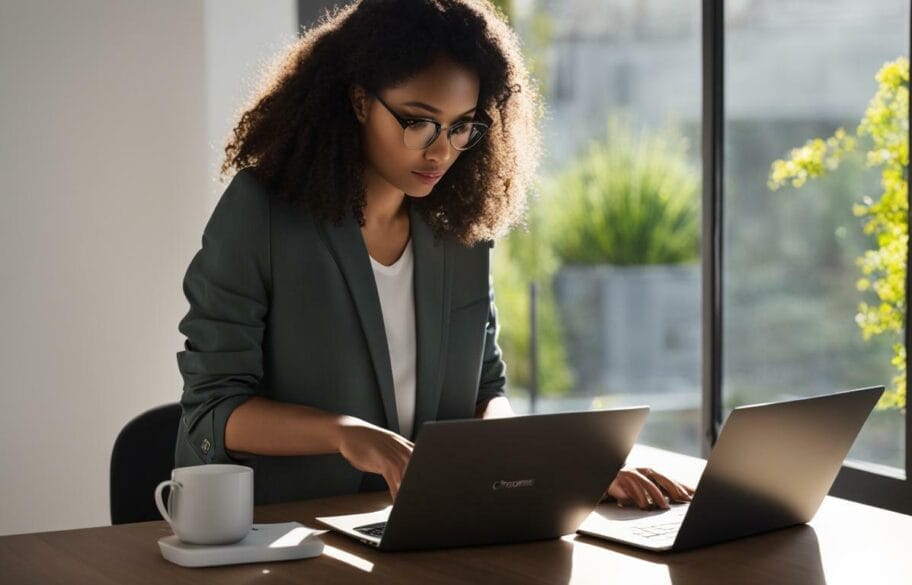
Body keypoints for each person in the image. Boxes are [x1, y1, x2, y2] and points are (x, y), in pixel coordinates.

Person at [175, 0, 692, 511]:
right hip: (287, 535)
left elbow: (485, 393)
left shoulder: (458, 231)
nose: (442, 151)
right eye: (419, 122)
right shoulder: (262, 214)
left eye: (462, 125)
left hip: (422, 528)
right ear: (359, 101)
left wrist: (566, 467)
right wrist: (345, 434)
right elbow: (213, 410)